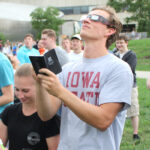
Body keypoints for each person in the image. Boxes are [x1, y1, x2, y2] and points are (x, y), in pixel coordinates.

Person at [35, 6, 133, 150]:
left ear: (110, 30)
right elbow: (45, 114)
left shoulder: (119, 69)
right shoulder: (67, 69)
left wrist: (61, 91)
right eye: (86, 17)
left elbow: (103, 120)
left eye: (95, 18)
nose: (86, 20)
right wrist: (40, 84)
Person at [0, 64, 60, 150]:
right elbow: (1, 142)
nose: (20, 96)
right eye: (17, 89)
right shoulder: (9, 112)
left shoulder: (50, 119)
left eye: (25, 91)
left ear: (39, 87)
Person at [115, 35, 140, 140]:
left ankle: (135, 133)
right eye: (117, 43)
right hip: (117, 86)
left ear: (126, 43)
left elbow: (129, 69)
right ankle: (119, 131)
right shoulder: (114, 55)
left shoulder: (131, 55)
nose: (119, 45)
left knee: (133, 109)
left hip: (130, 86)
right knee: (118, 110)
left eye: (121, 42)